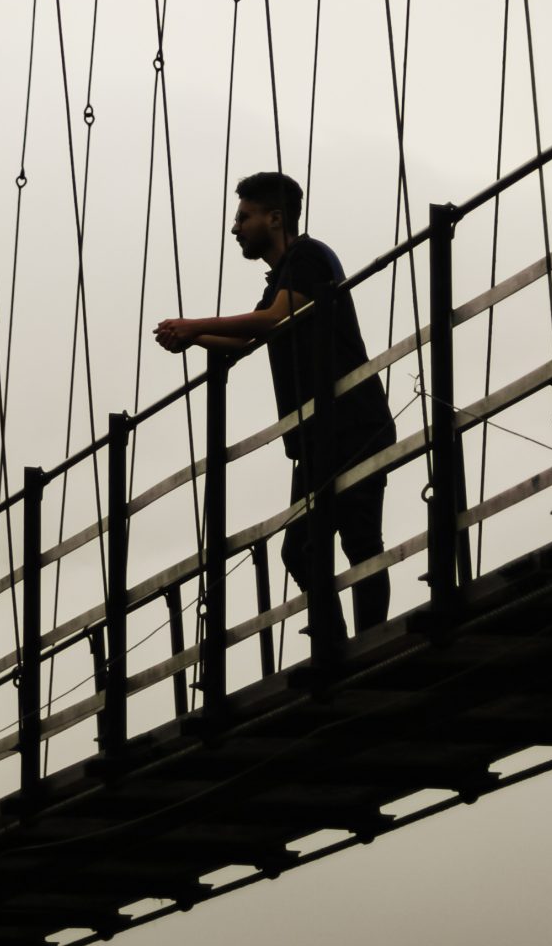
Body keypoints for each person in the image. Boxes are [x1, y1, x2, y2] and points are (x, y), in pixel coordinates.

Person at [154, 170, 396, 642]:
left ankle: (369, 643)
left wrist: (192, 325)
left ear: (276, 217)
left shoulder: (307, 257)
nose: (235, 227)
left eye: (244, 216)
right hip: (321, 430)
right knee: (302, 549)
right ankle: (340, 642)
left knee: (356, 539)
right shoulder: (285, 276)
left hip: (350, 420)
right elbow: (251, 332)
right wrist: (192, 337)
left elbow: (274, 319)